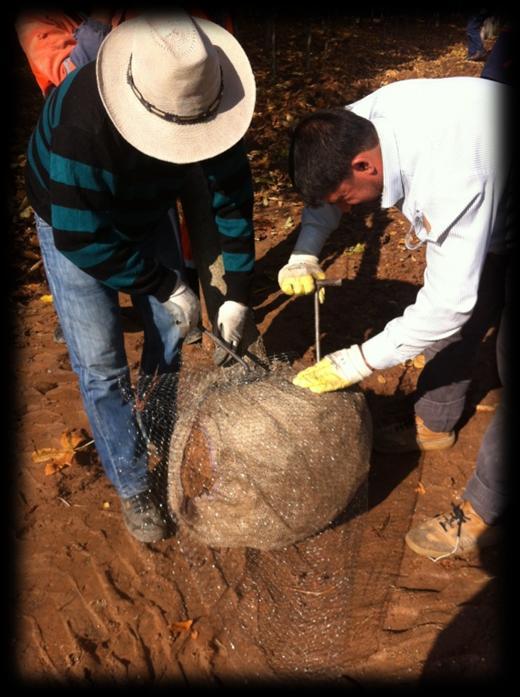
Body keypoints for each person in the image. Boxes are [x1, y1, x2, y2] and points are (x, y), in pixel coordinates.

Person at [24, 11, 256, 543]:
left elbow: (232, 202)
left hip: (148, 206)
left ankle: (158, 424)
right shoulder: (85, 127)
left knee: (173, 331)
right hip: (71, 217)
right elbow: (81, 238)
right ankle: (132, 485)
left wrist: (236, 294)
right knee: (102, 365)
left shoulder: (210, 91)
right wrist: (164, 284)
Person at [277, 76, 512, 559]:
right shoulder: (353, 126)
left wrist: (358, 361)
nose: (346, 210)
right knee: (456, 318)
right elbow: (326, 196)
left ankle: (485, 509)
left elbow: (450, 304)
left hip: (493, 185)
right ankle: (433, 422)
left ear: (365, 165)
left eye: (347, 199)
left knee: (464, 320)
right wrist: (304, 252)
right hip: (495, 191)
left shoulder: (452, 174)